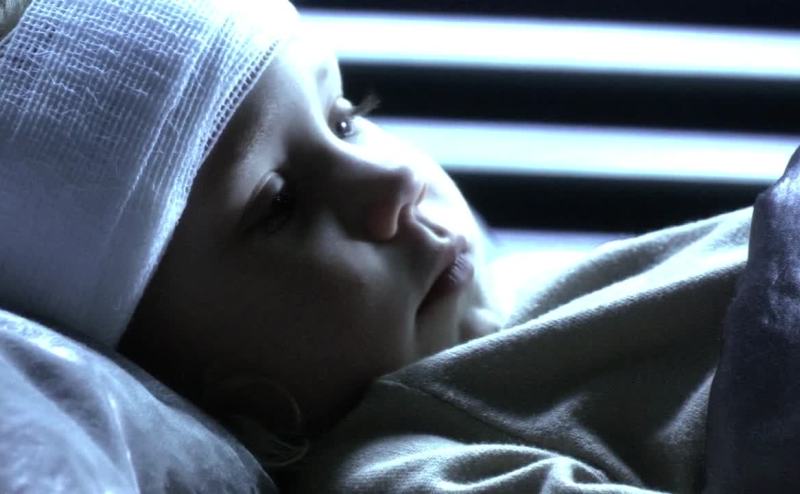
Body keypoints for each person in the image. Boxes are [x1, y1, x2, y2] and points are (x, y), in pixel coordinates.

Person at [2, 0, 799, 492]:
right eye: (279, 206)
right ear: (196, 387)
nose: (394, 178)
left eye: (347, 117)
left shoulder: (532, 295)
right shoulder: (400, 469)